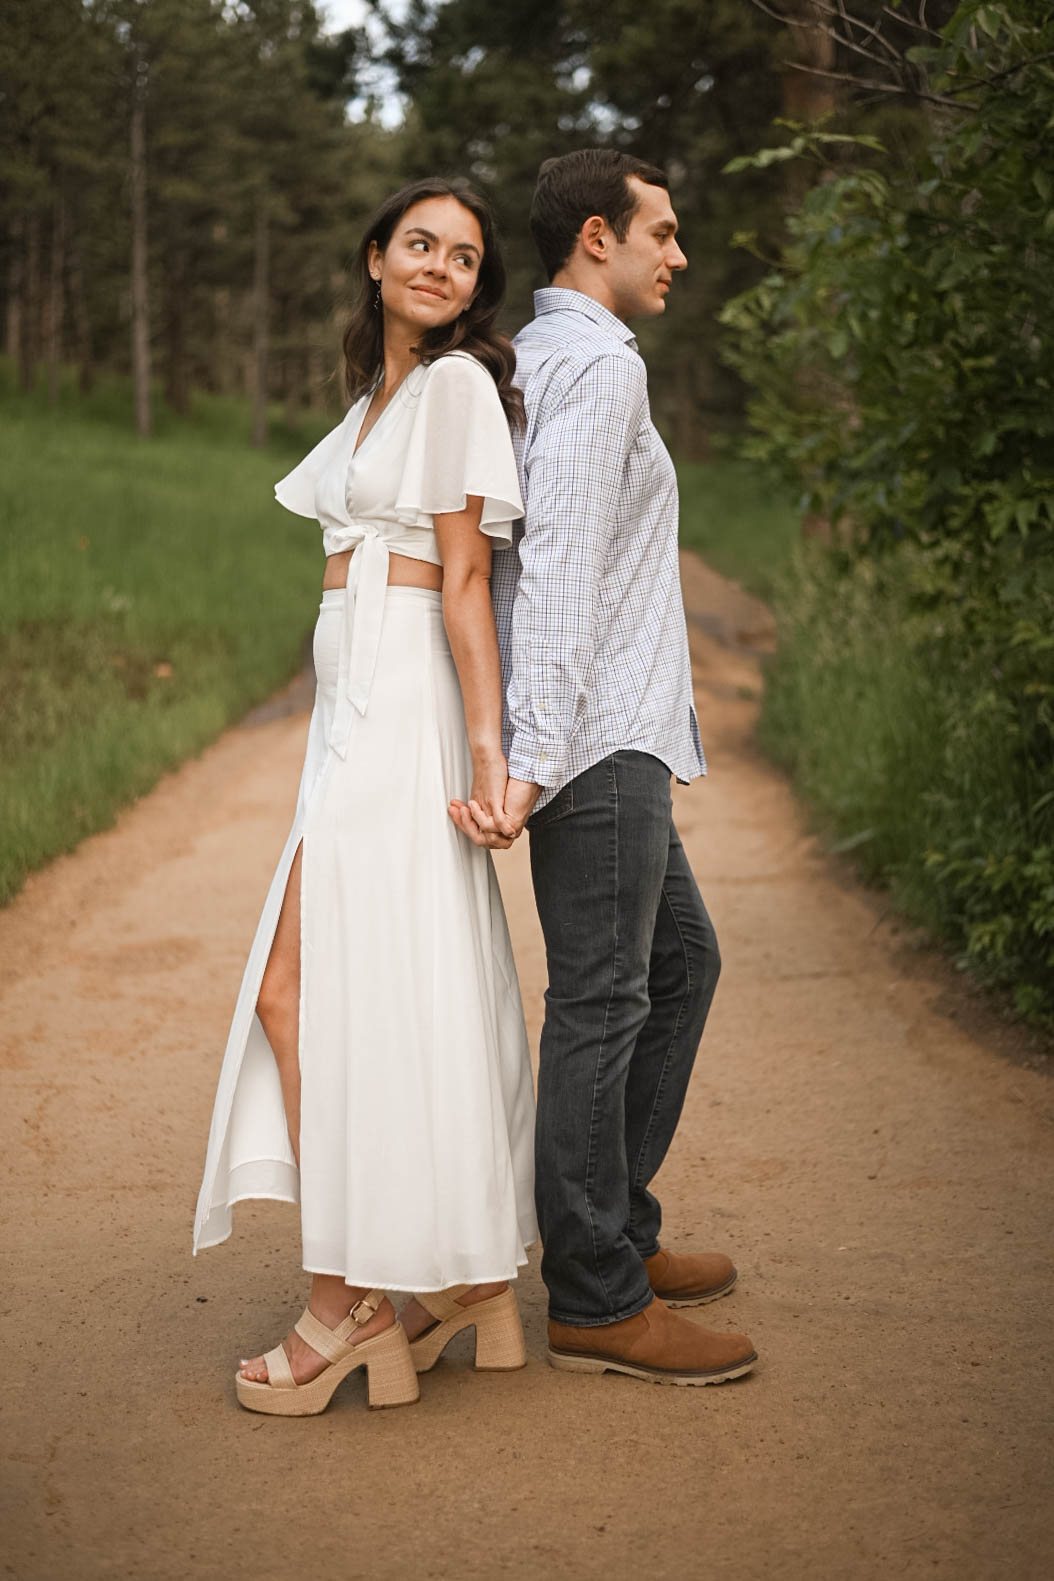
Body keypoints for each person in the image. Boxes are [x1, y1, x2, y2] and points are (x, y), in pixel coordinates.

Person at [193, 177, 538, 1417]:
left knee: (301, 993)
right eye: (421, 244)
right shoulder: (378, 397)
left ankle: (347, 1306)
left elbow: (461, 583)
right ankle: (430, 1280)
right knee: (344, 993)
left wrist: (488, 755)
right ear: (376, 258)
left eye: (465, 256)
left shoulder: (451, 389)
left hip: (401, 714)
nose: (443, 267)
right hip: (352, 711)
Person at [453, 149, 758, 1387]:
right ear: (598, 236)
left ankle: (609, 1226)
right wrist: (538, 751)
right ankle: (592, 1290)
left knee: (679, 963)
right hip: (593, 736)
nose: (677, 255)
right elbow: (562, 567)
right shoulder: (598, 365)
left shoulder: (549, 361)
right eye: (663, 233)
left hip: (606, 724)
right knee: (604, 996)